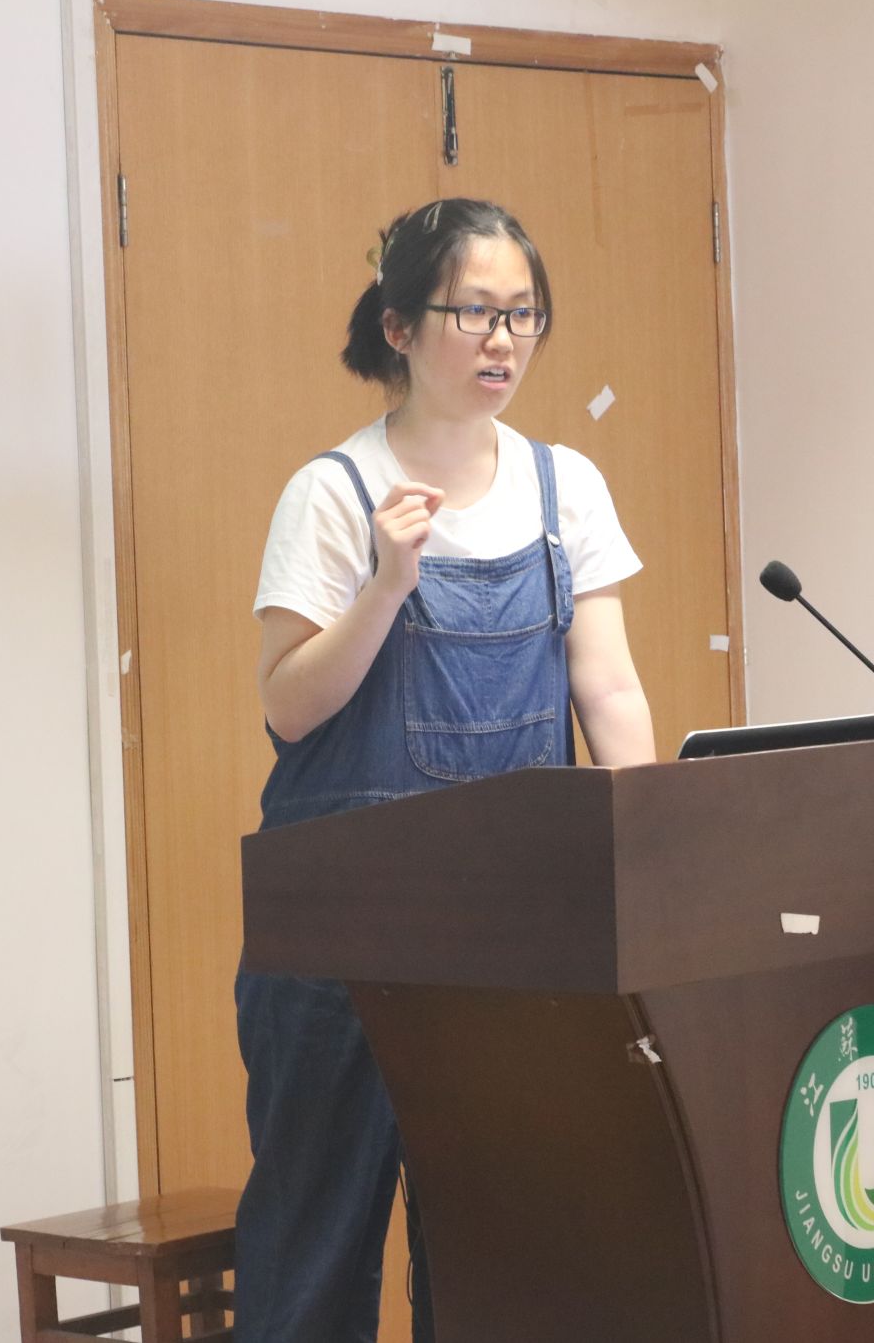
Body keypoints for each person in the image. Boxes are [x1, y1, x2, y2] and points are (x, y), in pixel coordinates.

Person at [236, 197, 656, 1342]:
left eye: (522, 314)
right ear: (398, 326)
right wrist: (386, 583)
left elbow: (607, 689)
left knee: (497, 1251)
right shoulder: (333, 492)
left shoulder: (565, 486)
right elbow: (287, 705)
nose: (502, 340)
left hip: (510, 940)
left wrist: (649, 855)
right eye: (473, 312)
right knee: (316, 1247)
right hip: (339, 944)